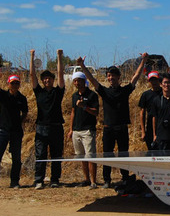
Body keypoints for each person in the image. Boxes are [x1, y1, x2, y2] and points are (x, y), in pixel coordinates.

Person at [78, 54, 146, 188]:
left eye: (113, 75)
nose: (111, 78)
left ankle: (125, 177)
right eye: (109, 75)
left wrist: (143, 60)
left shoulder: (125, 90)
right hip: (108, 128)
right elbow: (91, 79)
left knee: (123, 154)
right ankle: (107, 180)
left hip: (121, 128)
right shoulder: (104, 91)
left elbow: (135, 77)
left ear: (118, 77)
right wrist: (82, 66)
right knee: (107, 155)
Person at [30, 49, 65, 190]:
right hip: (41, 127)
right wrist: (32, 56)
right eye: (44, 78)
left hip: (56, 127)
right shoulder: (39, 92)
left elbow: (61, 73)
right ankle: (39, 180)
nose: (46, 80)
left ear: (52, 79)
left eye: (49, 78)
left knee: (56, 155)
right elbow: (32, 74)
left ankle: (55, 179)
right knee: (41, 155)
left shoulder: (58, 92)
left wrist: (59, 56)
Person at [0, 71, 28, 189]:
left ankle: (14, 181)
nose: (15, 85)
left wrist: (20, 122)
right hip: (2, 130)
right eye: (12, 83)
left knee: (16, 158)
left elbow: (25, 112)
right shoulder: (4, 95)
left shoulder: (22, 98)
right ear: (8, 84)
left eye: (17, 83)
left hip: (16, 132)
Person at [67, 72, 99, 190]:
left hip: (88, 130)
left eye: (79, 80)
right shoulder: (74, 96)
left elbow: (96, 112)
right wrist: (71, 129)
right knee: (81, 156)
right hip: (77, 130)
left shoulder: (92, 95)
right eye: (75, 81)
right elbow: (73, 112)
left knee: (90, 156)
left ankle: (93, 182)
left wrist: (84, 107)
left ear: (84, 81)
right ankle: (86, 179)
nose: (77, 83)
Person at [138, 71, 162, 150]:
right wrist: (143, 131)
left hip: (162, 124)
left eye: (155, 80)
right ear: (149, 81)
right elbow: (142, 112)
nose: (154, 82)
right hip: (150, 125)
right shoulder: (146, 94)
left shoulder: (164, 92)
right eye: (152, 80)